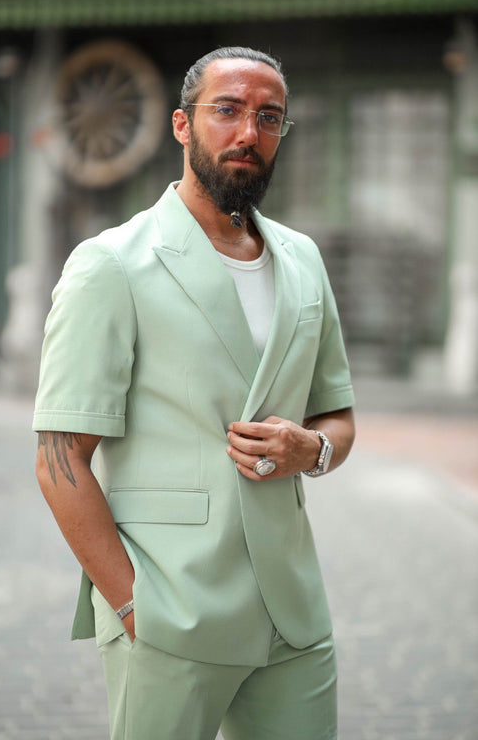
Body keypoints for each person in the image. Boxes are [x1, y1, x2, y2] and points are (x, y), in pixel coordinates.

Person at [33, 46, 355, 740]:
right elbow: (59, 459)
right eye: (227, 110)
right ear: (182, 125)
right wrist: (128, 606)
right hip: (169, 609)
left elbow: (337, 415)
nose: (248, 132)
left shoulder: (302, 260)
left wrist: (314, 449)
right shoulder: (112, 264)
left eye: (269, 117)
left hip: (293, 612)